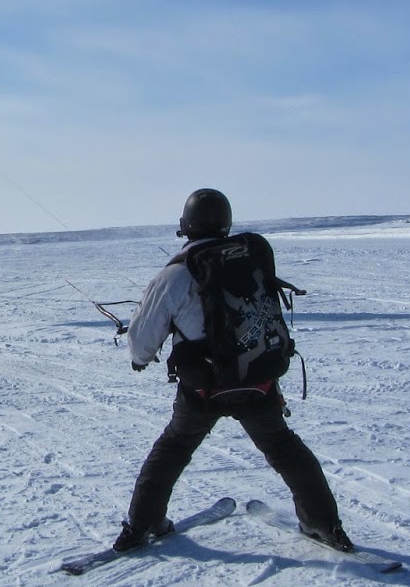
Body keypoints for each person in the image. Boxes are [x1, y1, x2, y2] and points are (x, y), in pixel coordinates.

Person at [114, 188, 353, 553]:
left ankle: (143, 526)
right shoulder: (251, 258)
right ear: (227, 223)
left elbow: (142, 339)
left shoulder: (175, 275)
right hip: (257, 378)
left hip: (203, 388)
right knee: (285, 449)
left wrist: (140, 359)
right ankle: (322, 523)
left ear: (185, 225)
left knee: (173, 449)